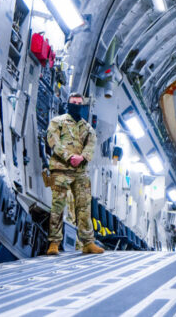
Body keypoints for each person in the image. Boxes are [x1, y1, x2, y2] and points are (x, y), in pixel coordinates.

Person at [45, 93, 104, 255]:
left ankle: (88, 243)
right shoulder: (57, 122)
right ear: (68, 104)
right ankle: (54, 242)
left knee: (84, 206)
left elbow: (91, 146)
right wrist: (69, 156)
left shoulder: (88, 128)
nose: (76, 106)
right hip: (61, 168)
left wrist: (82, 158)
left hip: (80, 171)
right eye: (73, 103)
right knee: (58, 205)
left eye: (79, 103)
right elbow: (53, 141)